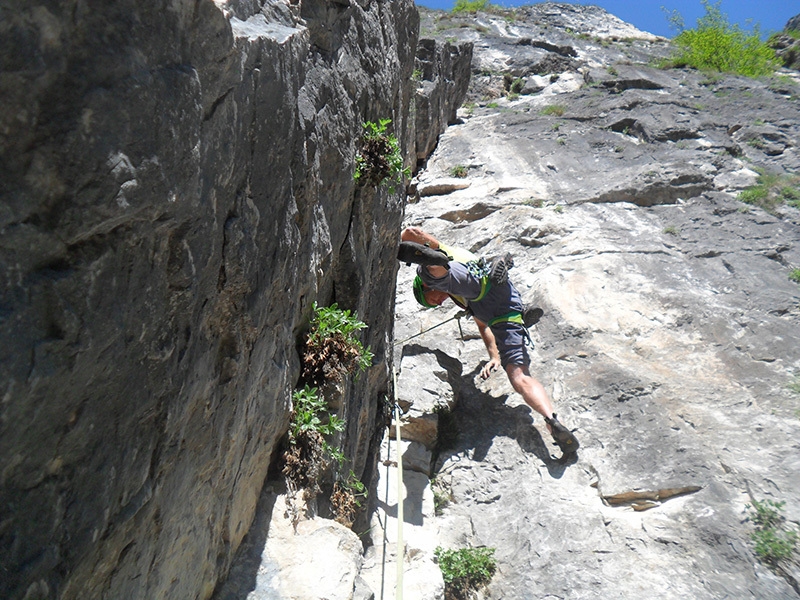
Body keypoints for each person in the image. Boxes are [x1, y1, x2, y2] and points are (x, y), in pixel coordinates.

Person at [398, 226, 579, 458]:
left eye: (433, 300)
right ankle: (553, 420)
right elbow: (483, 326)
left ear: (424, 291)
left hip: (476, 280)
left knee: (436, 271)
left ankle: (433, 266)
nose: (440, 303)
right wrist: (494, 356)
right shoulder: (461, 298)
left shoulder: (453, 267)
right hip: (504, 306)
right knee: (519, 376)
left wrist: (395, 241)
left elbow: (413, 232)